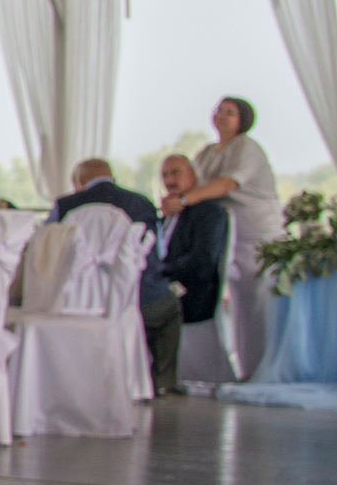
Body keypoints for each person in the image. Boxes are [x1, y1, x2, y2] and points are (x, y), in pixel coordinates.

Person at [166, 96, 282, 379]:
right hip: (228, 234)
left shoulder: (246, 147)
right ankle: (238, 368)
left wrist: (184, 199)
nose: (221, 115)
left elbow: (228, 183)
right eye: (219, 110)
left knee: (256, 302)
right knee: (235, 305)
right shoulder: (206, 152)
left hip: (257, 235)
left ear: (242, 120)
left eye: (229, 112)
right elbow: (193, 180)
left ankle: (259, 370)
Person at [51, 158, 178, 395]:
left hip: (75, 303)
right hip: (137, 298)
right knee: (170, 308)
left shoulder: (64, 205)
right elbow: (157, 252)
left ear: (80, 181)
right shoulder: (142, 203)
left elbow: (48, 253)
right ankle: (161, 380)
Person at [155, 153, 229, 363]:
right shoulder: (168, 215)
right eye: (165, 175)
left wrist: (161, 272)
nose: (170, 180)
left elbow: (202, 260)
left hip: (192, 291)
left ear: (193, 174)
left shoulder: (207, 211)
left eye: (176, 172)